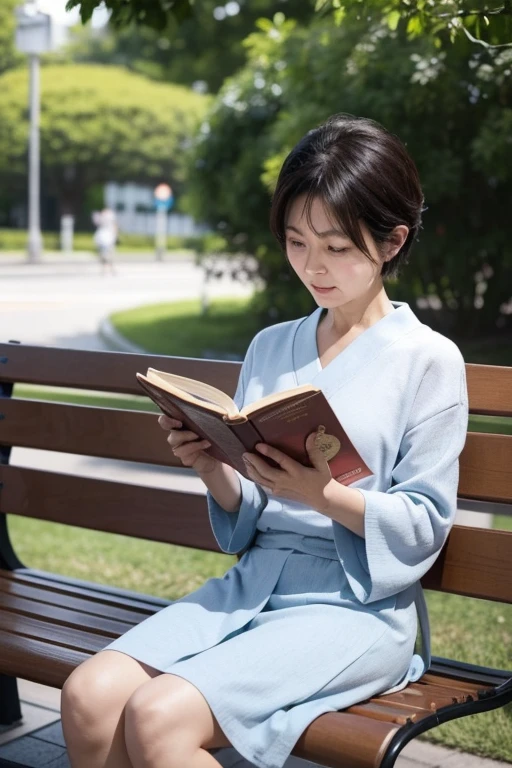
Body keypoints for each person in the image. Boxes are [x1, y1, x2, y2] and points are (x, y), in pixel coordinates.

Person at [61, 114, 469, 768]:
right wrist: (211, 467)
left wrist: (325, 495)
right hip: (257, 583)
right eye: (298, 242)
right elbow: (252, 509)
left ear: (392, 242)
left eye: (337, 247)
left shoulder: (428, 360)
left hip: (359, 607)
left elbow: (425, 523)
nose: (314, 266)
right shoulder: (271, 345)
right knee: (89, 695)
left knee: (157, 717)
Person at [92, 207, 118, 275]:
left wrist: (115, 235)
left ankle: (110, 269)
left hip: (108, 236)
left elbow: (114, 225)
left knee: (109, 254)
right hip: (103, 237)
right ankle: (105, 269)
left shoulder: (110, 216)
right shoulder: (101, 217)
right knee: (103, 254)